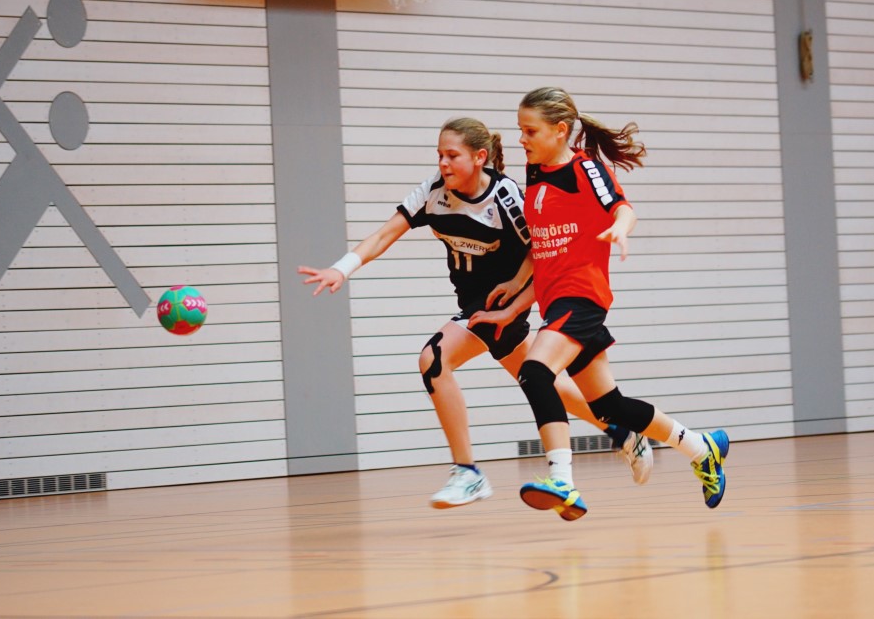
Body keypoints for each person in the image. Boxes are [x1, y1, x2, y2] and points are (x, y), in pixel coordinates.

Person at [298, 116, 653, 509]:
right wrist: (341, 268)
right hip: (474, 306)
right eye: (440, 155)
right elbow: (384, 234)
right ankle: (623, 431)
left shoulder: (506, 198)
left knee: (433, 360)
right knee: (548, 387)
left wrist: (517, 300)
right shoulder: (434, 192)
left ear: (479, 157)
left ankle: (468, 473)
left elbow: (542, 251)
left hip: (499, 305)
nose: (443, 163)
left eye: (452, 155)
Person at [472, 87, 729, 521]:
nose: (521, 139)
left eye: (530, 131)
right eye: (520, 130)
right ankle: (702, 447)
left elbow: (623, 208)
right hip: (556, 301)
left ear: (559, 130)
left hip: (582, 295)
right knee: (610, 405)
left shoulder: (585, 168)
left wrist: (621, 228)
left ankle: (562, 480)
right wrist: (514, 301)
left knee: (535, 372)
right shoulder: (535, 170)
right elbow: (546, 250)